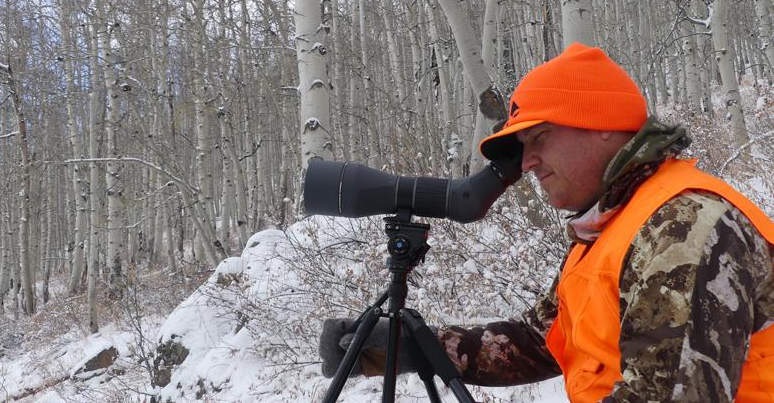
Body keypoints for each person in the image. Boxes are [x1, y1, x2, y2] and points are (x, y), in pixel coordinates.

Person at [319, 43, 774, 402]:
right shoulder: (611, 226)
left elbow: (671, 396)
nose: (529, 163)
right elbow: (539, 342)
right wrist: (405, 346)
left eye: (539, 139)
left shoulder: (683, 225)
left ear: (602, 123)